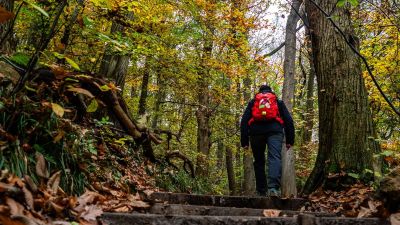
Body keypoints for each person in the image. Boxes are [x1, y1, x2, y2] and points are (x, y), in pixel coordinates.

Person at [240, 84, 294, 197]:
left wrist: (244, 141)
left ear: (259, 92)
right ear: (271, 91)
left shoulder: (253, 102)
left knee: (259, 161)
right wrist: (290, 140)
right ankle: (273, 188)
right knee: (274, 157)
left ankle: (261, 190)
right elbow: (289, 121)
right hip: (275, 131)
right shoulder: (277, 102)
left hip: (256, 132)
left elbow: (244, 121)